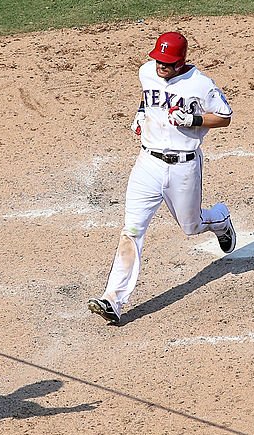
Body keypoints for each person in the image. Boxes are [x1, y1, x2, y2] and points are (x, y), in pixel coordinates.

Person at [87, 31, 236, 324]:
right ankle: (113, 300)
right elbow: (149, 100)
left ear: (181, 62)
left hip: (183, 167)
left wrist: (194, 120)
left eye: (168, 62)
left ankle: (220, 220)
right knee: (131, 230)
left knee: (191, 226)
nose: (161, 66)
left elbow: (225, 116)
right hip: (148, 165)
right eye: (158, 60)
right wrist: (142, 115)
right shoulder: (146, 72)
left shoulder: (200, 85)